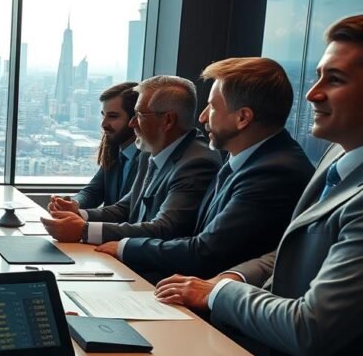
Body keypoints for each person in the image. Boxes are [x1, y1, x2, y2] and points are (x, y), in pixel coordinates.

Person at [155, 15, 363, 356]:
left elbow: (309, 329)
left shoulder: (290, 168)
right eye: (317, 76)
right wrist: (236, 276)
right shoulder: (336, 156)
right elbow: (289, 252)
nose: (313, 94)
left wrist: (219, 291)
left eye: (335, 79)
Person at [95, 58, 313, 283]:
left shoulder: (273, 173)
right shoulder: (243, 159)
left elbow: (205, 252)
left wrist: (123, 247)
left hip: (219, 306)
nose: (202, 117)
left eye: (212, 107)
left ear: (242, 118)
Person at [42, 75, 220, 244]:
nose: (132, 123)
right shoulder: (149, 153)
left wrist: (85, 230)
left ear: (168, 120)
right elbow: (126, 208)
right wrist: (79, 214)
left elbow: (165, 228)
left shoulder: (197, 163)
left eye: (140, 115)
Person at [67, 82, 143, 208]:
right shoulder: (115, 151)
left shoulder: (149, 159)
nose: (103, 124)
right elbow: (94, 191)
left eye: (113, 116)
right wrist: (74, 203)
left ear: (135, 119)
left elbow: (126, 210)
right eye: (103, 115)